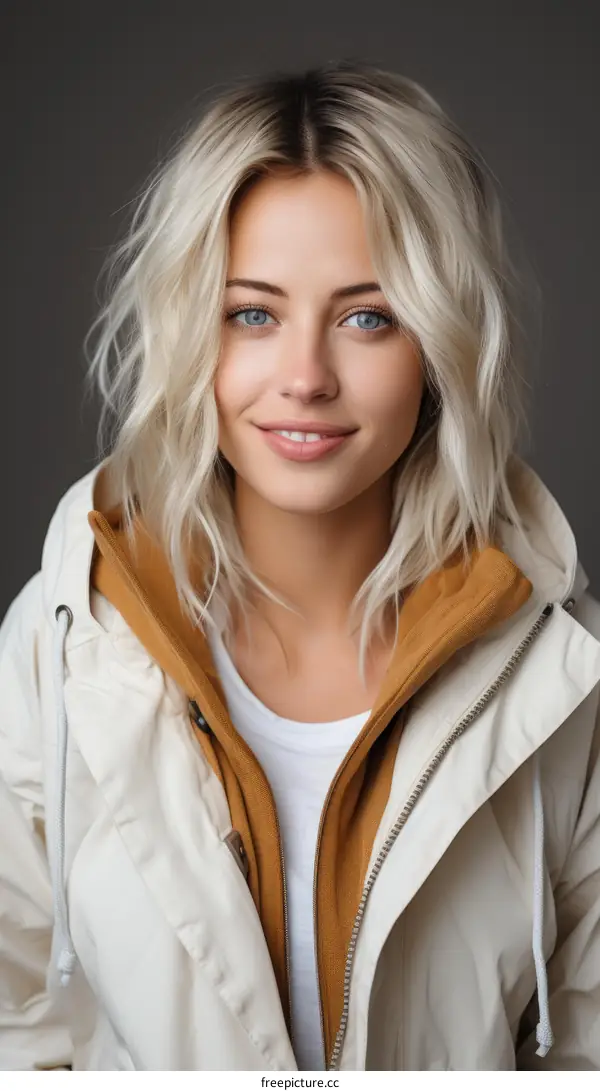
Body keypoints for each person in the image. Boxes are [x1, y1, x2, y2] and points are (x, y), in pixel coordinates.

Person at [1, 60, 599, 1074]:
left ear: (440, 343)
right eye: (252, 313)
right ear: (192, 331)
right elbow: (17, 1023)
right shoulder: (62, 645)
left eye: (369, 316)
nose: (307, 376)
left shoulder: (560, 667)